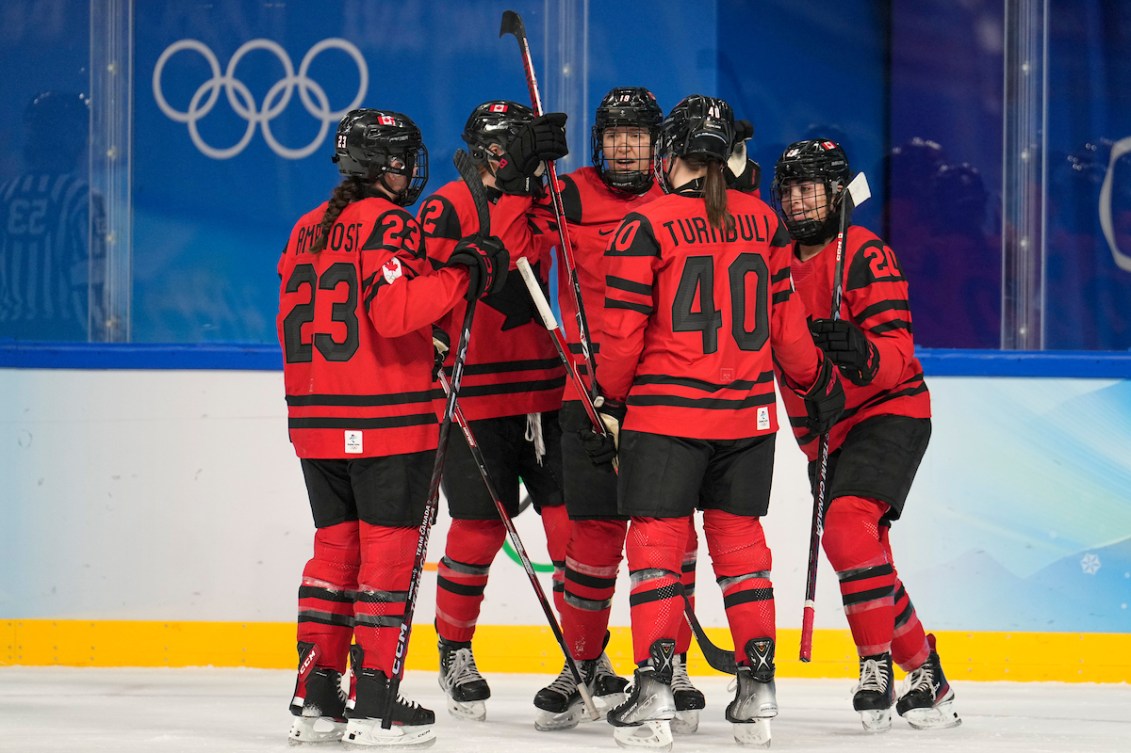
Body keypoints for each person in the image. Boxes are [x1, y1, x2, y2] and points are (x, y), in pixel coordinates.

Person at [592, 95, 846, 749]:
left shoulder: (643, 225)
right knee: (741, 552)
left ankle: (652, 697)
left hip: (665, 416)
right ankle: (756, 691)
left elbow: (620, 336)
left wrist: (609, 400)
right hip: (745, 417)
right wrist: (815, 381)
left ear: (670, 153)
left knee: (654, 552)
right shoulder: (764, 223)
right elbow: (788, 332)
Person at [279, 108, 508, 747]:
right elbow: (393, 311)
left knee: (334, 551)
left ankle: (316, 692)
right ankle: (376, 698)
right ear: (390, 166)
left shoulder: (303, 230)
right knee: (387, 554)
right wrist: (465, 274)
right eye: (405, 160)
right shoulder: (387, 223)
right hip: (385, 418)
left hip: (315, 418)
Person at [525, 86, 708, 735]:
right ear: (599, 140)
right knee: (593, 543)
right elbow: (513, 246)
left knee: (665, 537)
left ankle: (668, 662)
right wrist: (527, 174)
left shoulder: (679, 203)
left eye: (636, 134)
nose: (624, 144)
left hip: (660, 396)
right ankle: (581, 666)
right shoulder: (567, 193)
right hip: (587, 391)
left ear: (656, 144)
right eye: (613, 134)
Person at [770, 138, 962, 732]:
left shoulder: (865, 254)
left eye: (813, 189)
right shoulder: (773, 260)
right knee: (865, 552)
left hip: (889, 410)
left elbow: (899, 352)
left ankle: (874, 662)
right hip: (823, 431)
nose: (802, 201)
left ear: (836, 194)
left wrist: (861, 354)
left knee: (849, 529)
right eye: (792, 190)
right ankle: (926, 674)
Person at [414, 100, 570, 722]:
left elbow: (578, 238)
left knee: (571, 535)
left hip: (549, 392)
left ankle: (583, 655)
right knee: (476, 533)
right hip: (477, 396)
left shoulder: (543, 200)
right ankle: (454, 649)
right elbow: (426, 282)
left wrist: (548, 180)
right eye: (518, 150)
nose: (525, 162)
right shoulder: (448, 204)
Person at [0, 91, 111, 342]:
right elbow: (89, 284)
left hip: (7, 337)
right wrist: (102, 338)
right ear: (74, 139)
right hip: (63, 338)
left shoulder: (4, 196)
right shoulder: (83, 198)